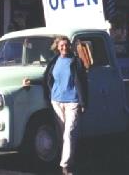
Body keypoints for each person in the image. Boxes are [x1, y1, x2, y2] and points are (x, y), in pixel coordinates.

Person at [43, 36, 88, 175]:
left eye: (66, 45)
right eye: (61, 45)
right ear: (57, 47)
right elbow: (48, 78)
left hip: (72, 101)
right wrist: (51, 95)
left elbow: (83, 82)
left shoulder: (76, 61)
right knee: (62, 134)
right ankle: (69, 159)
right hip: (56, 101)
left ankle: (65, 166)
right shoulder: (54, 61)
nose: (64, 48)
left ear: (70, 46)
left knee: (69, 133)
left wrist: (83, 102)